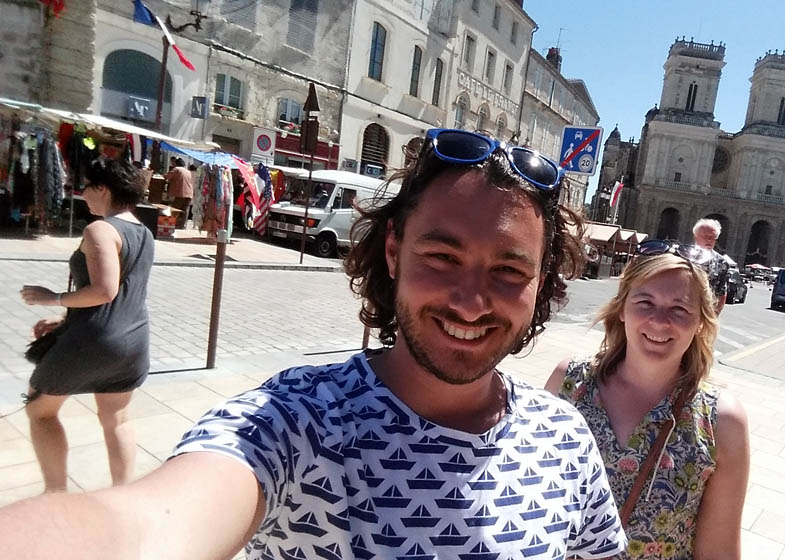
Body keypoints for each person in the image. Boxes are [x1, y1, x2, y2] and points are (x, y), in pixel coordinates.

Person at [0, 128, 628, 560]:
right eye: (442, 256)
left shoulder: (564, 436)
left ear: (541, 283)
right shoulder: (294, 422)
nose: (471, 301)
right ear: (393, 252)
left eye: (510, 270)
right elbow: (149, 525)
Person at [546, 240, 751, 559]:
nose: (659, 321)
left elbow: (718, 551)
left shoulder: (720, 421)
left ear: (701, 321)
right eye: (645, 302)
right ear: (622, 308)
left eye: (679, 309)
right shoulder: (569, 385)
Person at [18, 157, 154, 492]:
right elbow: (122, 294)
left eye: (86, 187)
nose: (82, 194)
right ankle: (123, 495)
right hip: (133, 341)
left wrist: (53, 298)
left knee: (40, 410)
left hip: (96, 341)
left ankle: (56, 495)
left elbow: (105, 291)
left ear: (103, 189)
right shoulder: (144, 232)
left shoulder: (100, 230)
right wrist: (65, 320)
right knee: (116, 419)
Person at [692, 218, 730, 313]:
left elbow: (722, 293)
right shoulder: (683, 255)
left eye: (713, 237)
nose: (709, 240)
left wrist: (714, 316)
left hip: (705, 311)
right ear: (695, 237)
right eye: (705, 236)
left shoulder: (721, 262)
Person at [165, 156, 194, 229]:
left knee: (175, 209)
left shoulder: (176, 169)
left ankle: (171, 224)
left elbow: (167, 177)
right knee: (185, 210)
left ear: (176, 164)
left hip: (180, 193)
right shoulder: (188, 171)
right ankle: (182, 226)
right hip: (189, 193)